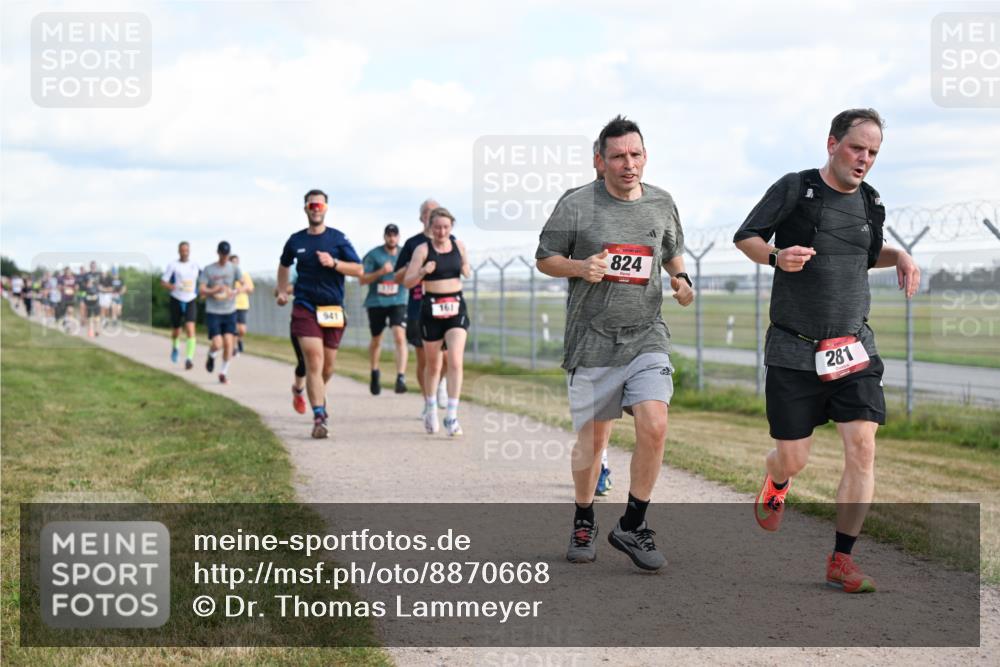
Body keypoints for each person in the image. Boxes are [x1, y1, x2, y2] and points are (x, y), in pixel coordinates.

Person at [734, 108, 920, 593]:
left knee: (862, 446)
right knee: (793, 458)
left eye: (873, 152)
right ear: (832, 143)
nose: (864, 159)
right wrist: (777, 255)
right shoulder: (795, 188)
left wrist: (898, 254)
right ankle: (777, 479)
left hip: (852, 346)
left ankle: (842, 558)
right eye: (857, 148)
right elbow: (746, 237)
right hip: (794, 348)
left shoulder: (872, 202)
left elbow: (863, 255)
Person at [536, 115, 694, 571]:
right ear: (599, 161)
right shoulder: (577, 204)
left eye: (636, 154)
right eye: (619, 156)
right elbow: (545, 258)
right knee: (593, 438)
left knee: (655, 424)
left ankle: (633, 524)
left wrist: (681, 280)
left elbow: (670, 251)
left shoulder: (662, 202)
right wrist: (580, 267)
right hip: (592, 338)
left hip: (646, 334)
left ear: (646, 156)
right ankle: (584, 517)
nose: (629, 164)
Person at [277, 189, 363, 439]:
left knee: (327, 368)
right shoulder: (296, 240)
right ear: (305, 209)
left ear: (326, 209)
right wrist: (283, 291)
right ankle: (319, 416)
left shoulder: (338, 239)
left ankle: (312, 396)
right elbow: (283, 265)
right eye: (311, 205)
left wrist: (334, 263)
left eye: (319, 205)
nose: (316, 209)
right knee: (314, 361)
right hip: (305, 307)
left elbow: (358, 269)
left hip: (333, 309)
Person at [403, 207, 471, 436]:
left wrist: (465, 268)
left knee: (455, 360)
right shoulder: (423, 250)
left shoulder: (459, 246)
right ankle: (431, 407)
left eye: (445, 227)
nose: (441, 231)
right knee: (433, 365)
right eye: (437, 227)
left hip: (455, 308)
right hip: (431, 309)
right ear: (431, 228)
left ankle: (451, 415)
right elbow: (407, 282)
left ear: (451, 227)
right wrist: (423, 270)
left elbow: (466, 269)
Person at [395, 199, 450, 418]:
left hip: (445, 306)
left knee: (446, 357)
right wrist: (413, 268)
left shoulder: (451, 241)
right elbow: (398, 276)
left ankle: (442, 383)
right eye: (427, 212)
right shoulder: (412, 244)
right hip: (419, 305)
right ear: (422, 218)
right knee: (423, 359)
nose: (431, 215)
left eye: (435, 211)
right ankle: (429, 401)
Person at [360, 224, 409, 395]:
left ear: (399, 237)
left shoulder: (405, 254)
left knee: (399, 334)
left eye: (395, 235)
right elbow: (362, 279)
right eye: (389, 235)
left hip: (398, 300)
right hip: (377, 302)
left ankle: (401, 377)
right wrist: (381, 272)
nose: (392, 238)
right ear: (384, 236)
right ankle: (374, 372)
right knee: (376, 339)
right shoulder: (374, 255)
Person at [199, 241, 243, 384]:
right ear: (218, 253)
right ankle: (211, 355)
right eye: (222, 254)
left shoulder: (234, 269)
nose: (224, 257)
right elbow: (202, 290)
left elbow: (246, 286)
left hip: (229, 310)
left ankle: (223, 373)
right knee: (218, 344)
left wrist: (235, 291)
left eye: (227, 254)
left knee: (229, 344)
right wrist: (214, 290)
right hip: (214, 311)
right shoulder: (209, 269)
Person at [161, 242, 201, 370]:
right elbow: (163, 282)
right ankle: (175, 347)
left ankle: (189, 358)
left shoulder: (195, 265)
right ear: (179, 251)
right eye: (182, 250)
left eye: (186, 250)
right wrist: (171, 286)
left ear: (189, 251)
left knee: (190, 328)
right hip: (176, 298)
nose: (184, 253)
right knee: (176, 331)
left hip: (190, 299)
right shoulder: (173, 265)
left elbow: (203, 279)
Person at [230, 255, 255, 355]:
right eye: (232, 262)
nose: (234, 264)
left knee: (242, 330)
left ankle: (239, 340)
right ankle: (234, 347)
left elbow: (251, 289)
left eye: (236, 262)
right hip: (231, 305)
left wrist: (240, 290)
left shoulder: (244, 275)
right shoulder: (228, 276)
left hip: (243, 304)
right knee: (234, 328)